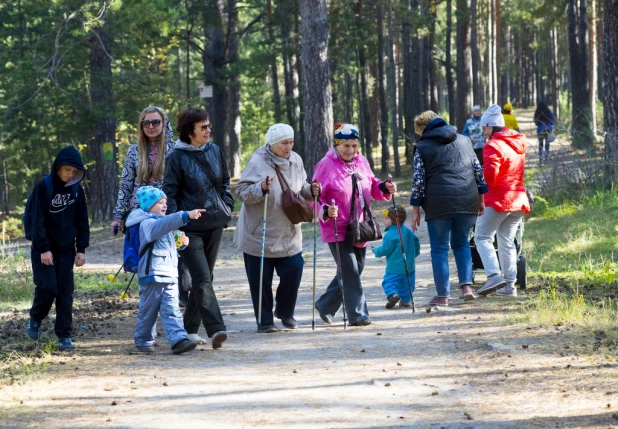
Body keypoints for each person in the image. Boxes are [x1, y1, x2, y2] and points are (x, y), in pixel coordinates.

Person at [234, 124, 320, 333]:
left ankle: (285, 311)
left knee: (295, 268)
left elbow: (301, 188)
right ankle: (264, 321)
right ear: (272, 144)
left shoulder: (296, 160)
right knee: (261, 280)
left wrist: (311, 190)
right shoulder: (257, 162)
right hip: (259, 233)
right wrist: (260, 188)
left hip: (288, 231)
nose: (288, 146)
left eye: (291, 142)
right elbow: (242, 192)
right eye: (284, 143)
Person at [163, 107, 234, 349]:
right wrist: (176, 226)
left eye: (208, 126)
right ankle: (217, 329)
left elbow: (224, 181)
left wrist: (226, 205)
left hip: (214, 224)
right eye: (202, 127)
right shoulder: (176, 157)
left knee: (205, 278)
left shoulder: (214, 150)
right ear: (188, 131)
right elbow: (169, 194)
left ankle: (189, 330)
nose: (208, 130)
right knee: (202, 278)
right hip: (188, 228)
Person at [313, 123, 396, 326]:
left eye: (354, 146)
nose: (350, 150)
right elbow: (313, 197)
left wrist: (384, 186)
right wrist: (324, 210)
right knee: (349, 270)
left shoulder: (361, 161)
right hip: (336, 227)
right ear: (337, 145)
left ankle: (325, 305)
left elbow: (372, 184)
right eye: (346, 146)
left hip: (360, 226)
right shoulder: (325, 165)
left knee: (355, 269)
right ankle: (358, 315)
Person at [110, 106, 192, 308]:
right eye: (146, 123)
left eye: (156, 122)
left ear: (164, 124)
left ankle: (178, 293)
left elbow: (185, 183)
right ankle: (151, 295)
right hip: (141, 213)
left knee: (174, 248)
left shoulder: (176, 149)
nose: (151, 126)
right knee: (146, 253)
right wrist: (118, 216)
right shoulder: (133, 151)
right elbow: (126, 185)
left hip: (168, 209)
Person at [410, 111, 488, 307]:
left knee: (439, 249)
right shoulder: (464, 140)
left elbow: (418, 180)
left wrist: (415, 210)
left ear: (424, 128)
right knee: (461, 244)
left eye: (419, 132)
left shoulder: (422, 147)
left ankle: (443, 295)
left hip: (438, 203)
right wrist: (481, 199)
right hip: (467, 199)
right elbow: (478, 171)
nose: (419, 136)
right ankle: (467, 287)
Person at [125, 187, 206, 354]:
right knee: (149, 311)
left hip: (169, 274)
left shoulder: (161, 223)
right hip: (152, 274)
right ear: (148, 205)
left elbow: (166, 243)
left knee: (172, 309)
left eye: (165, 203)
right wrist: (184, 215)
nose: (164, 206)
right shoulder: (147, 223)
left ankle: (178, 340)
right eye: (159, 203)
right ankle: (143, 340)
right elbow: (163, 226)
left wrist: (180, 244)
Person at [26, 146, 90, 351]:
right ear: (58, 168)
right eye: (67, 170)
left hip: (66, 250)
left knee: (65, 293)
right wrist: (44, 249)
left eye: (74, 171)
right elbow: (37, 220)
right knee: (47, 288)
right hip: (43, 249)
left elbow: (82, 220)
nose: (70, 174)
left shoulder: (76, 189)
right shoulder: (44, 186)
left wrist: (81, 248)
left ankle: (64, 335)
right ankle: (35, 317)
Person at [475, 104, 530, 297]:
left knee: (481, 237)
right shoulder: (517, 143)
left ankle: (493, 276)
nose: (483, 134)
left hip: (498, 199)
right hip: (518, 199)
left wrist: (476, 179)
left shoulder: (493, 145)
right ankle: (509, 286)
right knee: (507, 241)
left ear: (492, 126)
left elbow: (489, 175)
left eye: (484, 129)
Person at [372, 205, 420, 309]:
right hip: (409, 265)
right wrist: (413, 254)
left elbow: (385, 249)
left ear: (394, 220)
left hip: (394, 266)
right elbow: (416, 241)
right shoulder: (408, 231)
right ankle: (406, 300)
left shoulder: (390, 234)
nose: (384, 221)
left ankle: (393, 295)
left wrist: (375, 250)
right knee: (408, 283)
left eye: (386, 218)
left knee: (389, 282)